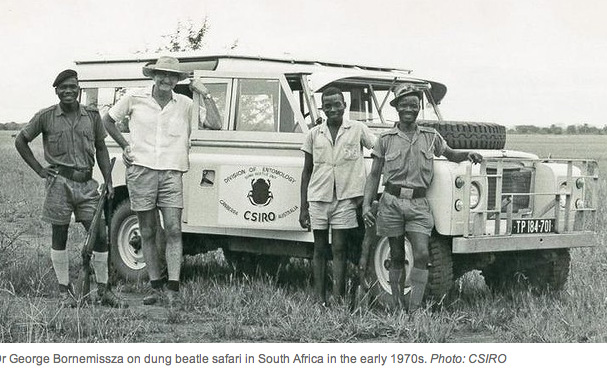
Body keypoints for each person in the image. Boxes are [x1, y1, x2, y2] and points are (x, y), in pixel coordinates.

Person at [102, 56, 217, 309]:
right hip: (141, 171)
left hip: (171, 173)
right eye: (162, 74)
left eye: (172, 76)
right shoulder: (134, 97)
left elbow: (215, 124)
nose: (166, 80)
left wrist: (206, 95)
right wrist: (125, 146)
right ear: (153, 76)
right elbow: (107, 120)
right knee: (147, 231)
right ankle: (155, 286)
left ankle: (173, 288)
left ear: (177, 80)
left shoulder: (186, 103)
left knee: (174, 229)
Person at [362, 84, 483, 312]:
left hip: (419, 204)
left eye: (414, 105)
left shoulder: (430, 137)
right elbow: (375, 174)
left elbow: (451, 154)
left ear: (419, 108)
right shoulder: (385, 139)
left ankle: (414, 308)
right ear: (396, 107)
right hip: (391, 202)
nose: (410, 109)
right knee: (396, 254)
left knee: (421, 253)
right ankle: (397, 304)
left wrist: (468, 154)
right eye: (405, 104)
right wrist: (367, 204)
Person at [15, 69, 127, 308]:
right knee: (60, 234)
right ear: (57, 91)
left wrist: (107, 179)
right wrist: (39, 169)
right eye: (63, 88)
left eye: (72, 87)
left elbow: (101, 147)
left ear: (79, 90)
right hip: (59, 183)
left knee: (99, 235)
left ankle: (103, 291)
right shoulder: (46, 116)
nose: (68, 91)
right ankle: (65, 292)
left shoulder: (93, 116)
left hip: (87, 184)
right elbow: (20, 140)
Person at [299, 86, 376, 306]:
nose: (333, 109)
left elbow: (379, 148)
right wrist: (303, 207)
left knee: (340, 248)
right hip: (318, 197)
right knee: (319, 248)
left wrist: (367, 189)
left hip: (345, 199)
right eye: (328, 105)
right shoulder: (314, 134)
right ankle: (320, 298)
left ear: (345, 106)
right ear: (322, 108)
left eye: (337, 104)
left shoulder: (357, 129)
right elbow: (306, 170)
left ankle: (339, 298)